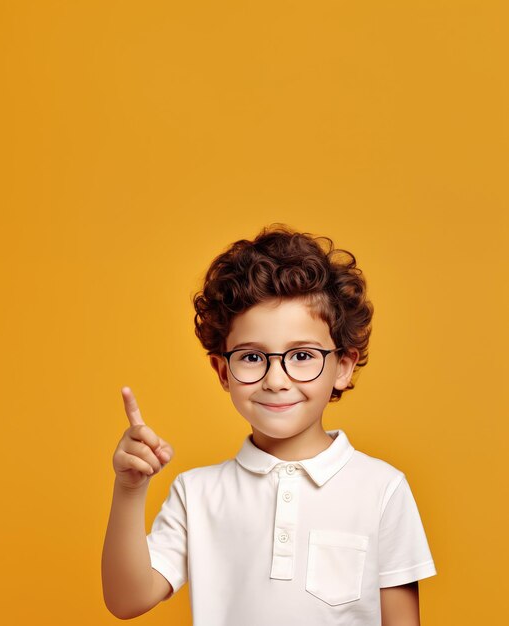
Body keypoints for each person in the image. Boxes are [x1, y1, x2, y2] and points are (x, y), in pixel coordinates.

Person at [102, 224, 437, 625]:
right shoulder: (197, 494)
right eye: (251, 357)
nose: (276, 380)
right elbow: (126, 600)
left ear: (343, 367)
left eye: (301, 356)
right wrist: (129, 488)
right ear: (222, 371)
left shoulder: (382, 489)